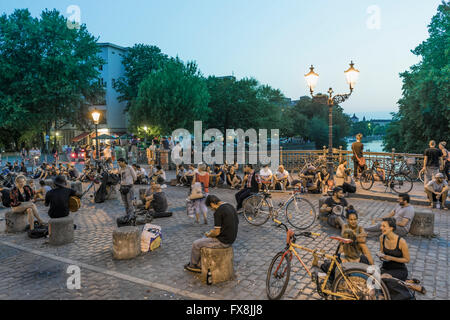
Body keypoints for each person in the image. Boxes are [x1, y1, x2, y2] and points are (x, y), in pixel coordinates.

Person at [184, 195, 239, 273]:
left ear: (212, 204)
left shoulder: (218, 212)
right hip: (232, 238)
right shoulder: (230, 206)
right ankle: (200, 263)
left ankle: (193, 265)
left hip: (223, 241)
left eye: (210, 207)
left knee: (196, 244)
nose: (212, 209)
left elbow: (216, 232)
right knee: (203, 240)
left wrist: (209, 234)